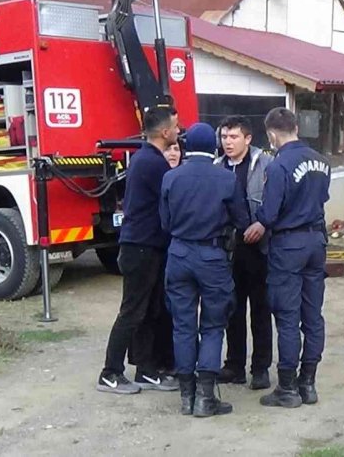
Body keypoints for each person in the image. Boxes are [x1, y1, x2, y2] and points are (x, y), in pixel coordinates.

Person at [161, 122, 245, 417]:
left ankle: (186, 397)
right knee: (212, 325)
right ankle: (205, 398)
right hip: (212, 256)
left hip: (179, 253)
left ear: (186, 146)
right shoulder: (225, 179)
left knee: (183, 325)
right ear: (215, 147)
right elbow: (241, 219)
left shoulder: (171, 177)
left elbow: (165, 223)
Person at [249, 107, 331, 409]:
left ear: (272, 134)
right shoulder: (322, 161)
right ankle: (308, 383)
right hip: (316, 241)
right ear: (296, 126)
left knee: (286, 316)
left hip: (288, 244)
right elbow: (322, 199)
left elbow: (269, 213)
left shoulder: (280, 164)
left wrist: (257, 218)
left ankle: (286, 387)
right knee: (313, 315)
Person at [97, 107, 180, 394]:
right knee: (132, 311)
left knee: (150, 310)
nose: (178, 132)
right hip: (140, 248)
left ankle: (146, 370)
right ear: (164, 132)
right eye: (176, 127)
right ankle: (110, 373)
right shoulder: (151, 163)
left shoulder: (149, 159)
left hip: (150, 247)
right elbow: (173, 201)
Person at [214, 116, 274, 390]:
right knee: (232, 311)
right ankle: (234, 365)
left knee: (261, 311)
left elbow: (277, 201)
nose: (228, 142)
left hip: (259, 251)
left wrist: (263, 224)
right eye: (224, 137)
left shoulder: (265, 165)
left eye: (233, 137)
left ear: (248, 139)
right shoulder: (217, 168)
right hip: (229, 252)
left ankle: (260, 368)